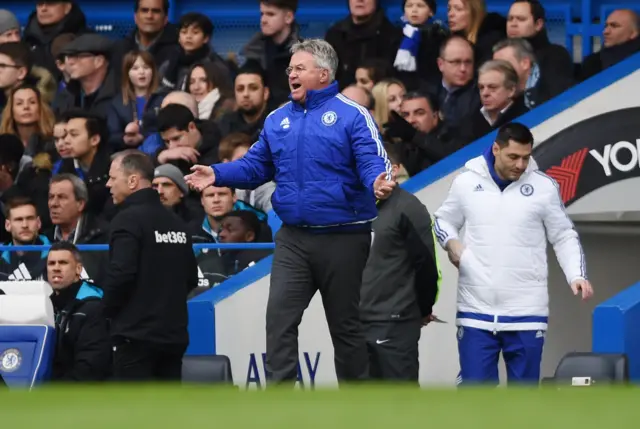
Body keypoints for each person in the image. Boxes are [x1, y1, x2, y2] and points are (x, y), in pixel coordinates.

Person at [185, 38, 395, 385]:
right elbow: (255, 167)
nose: (291, 74)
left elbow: (372, 158)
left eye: (299, 68)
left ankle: (359, 404)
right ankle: (279, 405)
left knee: (346, 327)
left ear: (323, 73)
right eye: (290, 69)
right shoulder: (277, 119)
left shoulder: (352, 114)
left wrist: (377, 181)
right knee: (279, 320)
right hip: (294, 239)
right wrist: (217, 173)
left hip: (344, 237)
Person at [433, 122, 594, 386]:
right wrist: (452, 243)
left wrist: (576, 274)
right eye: (513, 157)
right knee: (475, 396)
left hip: (527, 312)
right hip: (476, 312)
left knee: (523, 399)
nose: (520, 165)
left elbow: (563, 234)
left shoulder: (544, 187)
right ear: (496, 149)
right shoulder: (466, 182)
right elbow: (442, 221)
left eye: (526, 157)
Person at [104, 150, 198, 381]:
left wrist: (105, 313)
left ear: (133, 180)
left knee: (135, 414)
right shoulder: (177, 223)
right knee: (167, 414)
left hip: (135, 337)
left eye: (113, 178)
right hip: (173, 336)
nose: (108, 184)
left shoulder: (127, 219)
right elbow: (190, 278)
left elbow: (122, 274)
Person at [360, 151, 440, 383]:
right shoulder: (347, 208)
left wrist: (422, 308)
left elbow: (426, 265)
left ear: (394, 169)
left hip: (393, 322)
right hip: (351, 324)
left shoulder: (408, 208)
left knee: (399, 405)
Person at [48, 241, 111, 382]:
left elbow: (90, 367)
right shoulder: (46, 306)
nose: (56, 268)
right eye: (51, 264)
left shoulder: (93, 308)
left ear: (78, 269)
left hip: (80, 396)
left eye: (63, 263)